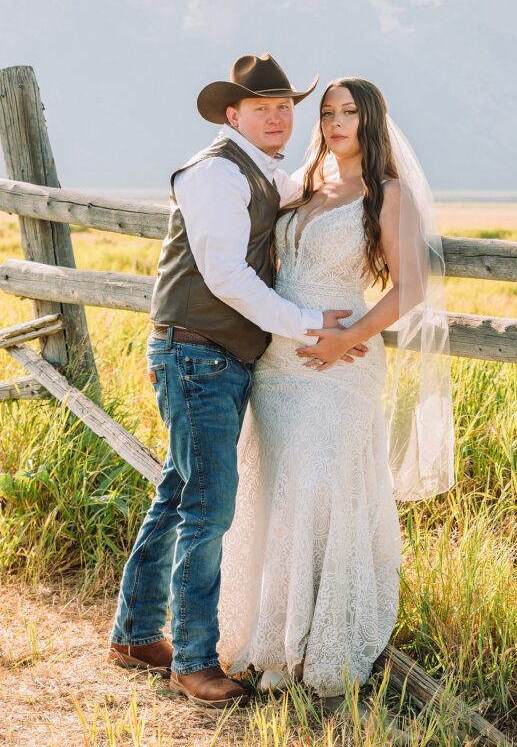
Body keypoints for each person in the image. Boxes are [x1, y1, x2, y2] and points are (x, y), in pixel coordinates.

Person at [108, 54, 366, 709]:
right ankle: (194, 661)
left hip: (213, 356)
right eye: (263, 108)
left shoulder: (260, 170)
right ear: (233, 114)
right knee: (209, 505)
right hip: (197, 354)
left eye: (285, 107)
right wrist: (310, 322)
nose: (279, 117)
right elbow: (224, 276)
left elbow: (306, 201)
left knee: (180, 491)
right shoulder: (216, 174)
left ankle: (135, 634)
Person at [218, 77, 454, 698]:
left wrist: (346, 341)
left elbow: (411, 288)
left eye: (349, 111)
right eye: (327, 112)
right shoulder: (300, 187)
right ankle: (271, 643)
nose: (335, 121)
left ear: (371, 120)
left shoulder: (387, 193)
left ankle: (320, 641)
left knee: (320, 487)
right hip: (278, 365)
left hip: (340, 363)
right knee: (274, 492)